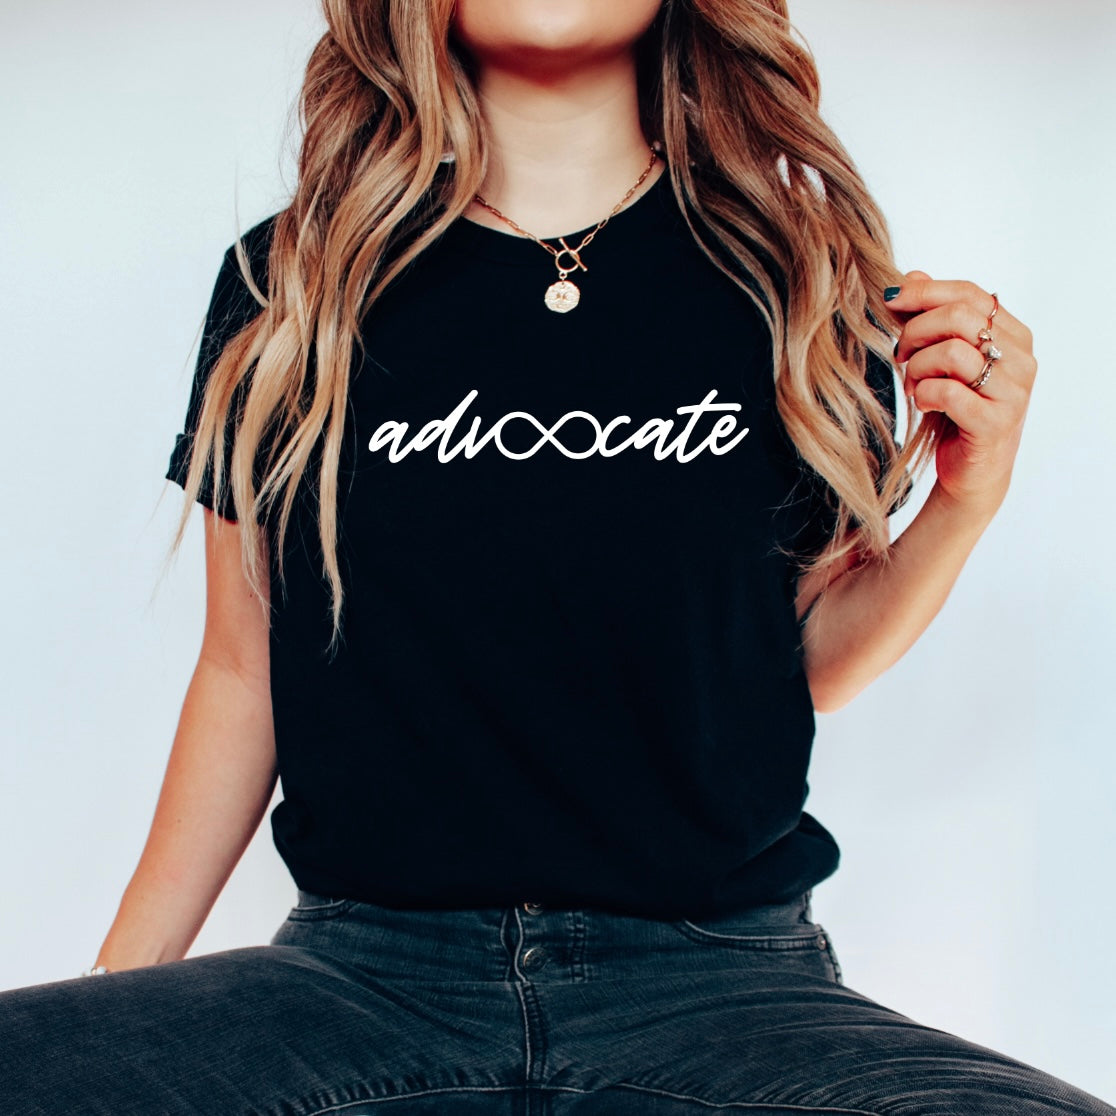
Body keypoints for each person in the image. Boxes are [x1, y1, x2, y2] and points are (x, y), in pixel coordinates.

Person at [1, 1, 1109, 1113]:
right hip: (360, 985)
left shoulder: (800, 278)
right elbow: (243, 677)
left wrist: (968, 499)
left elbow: (802, 658)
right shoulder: (293, 285)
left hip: (722, 991)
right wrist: (116, 1013)